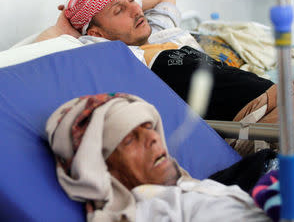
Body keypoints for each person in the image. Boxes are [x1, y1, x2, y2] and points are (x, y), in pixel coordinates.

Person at [36, 0, 294, 129]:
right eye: (119, 11)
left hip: (287, 95)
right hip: (261, 119)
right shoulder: (113, 55)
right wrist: (71, 19)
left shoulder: (158, 31)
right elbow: (52, 39)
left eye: (132, 0)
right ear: (96, 33)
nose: (136, 10)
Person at [45, 93, 271, 222]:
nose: (153, 138)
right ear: (104, 170)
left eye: (148, 127)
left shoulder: (187, 189)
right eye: (129, 140)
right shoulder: (156, 212)